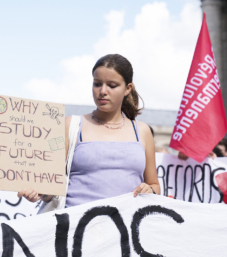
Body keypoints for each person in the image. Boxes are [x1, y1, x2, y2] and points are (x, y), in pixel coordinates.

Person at [18, 54, 160, 208]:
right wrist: (41, 194)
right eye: (97, 84)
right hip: (77, 228)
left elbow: (154, 185)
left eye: (112, 85)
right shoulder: (69, 125)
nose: (103, 91)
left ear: (127, 89)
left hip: (127, 228)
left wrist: (149, 190)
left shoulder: (143, 131)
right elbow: (51, 185)